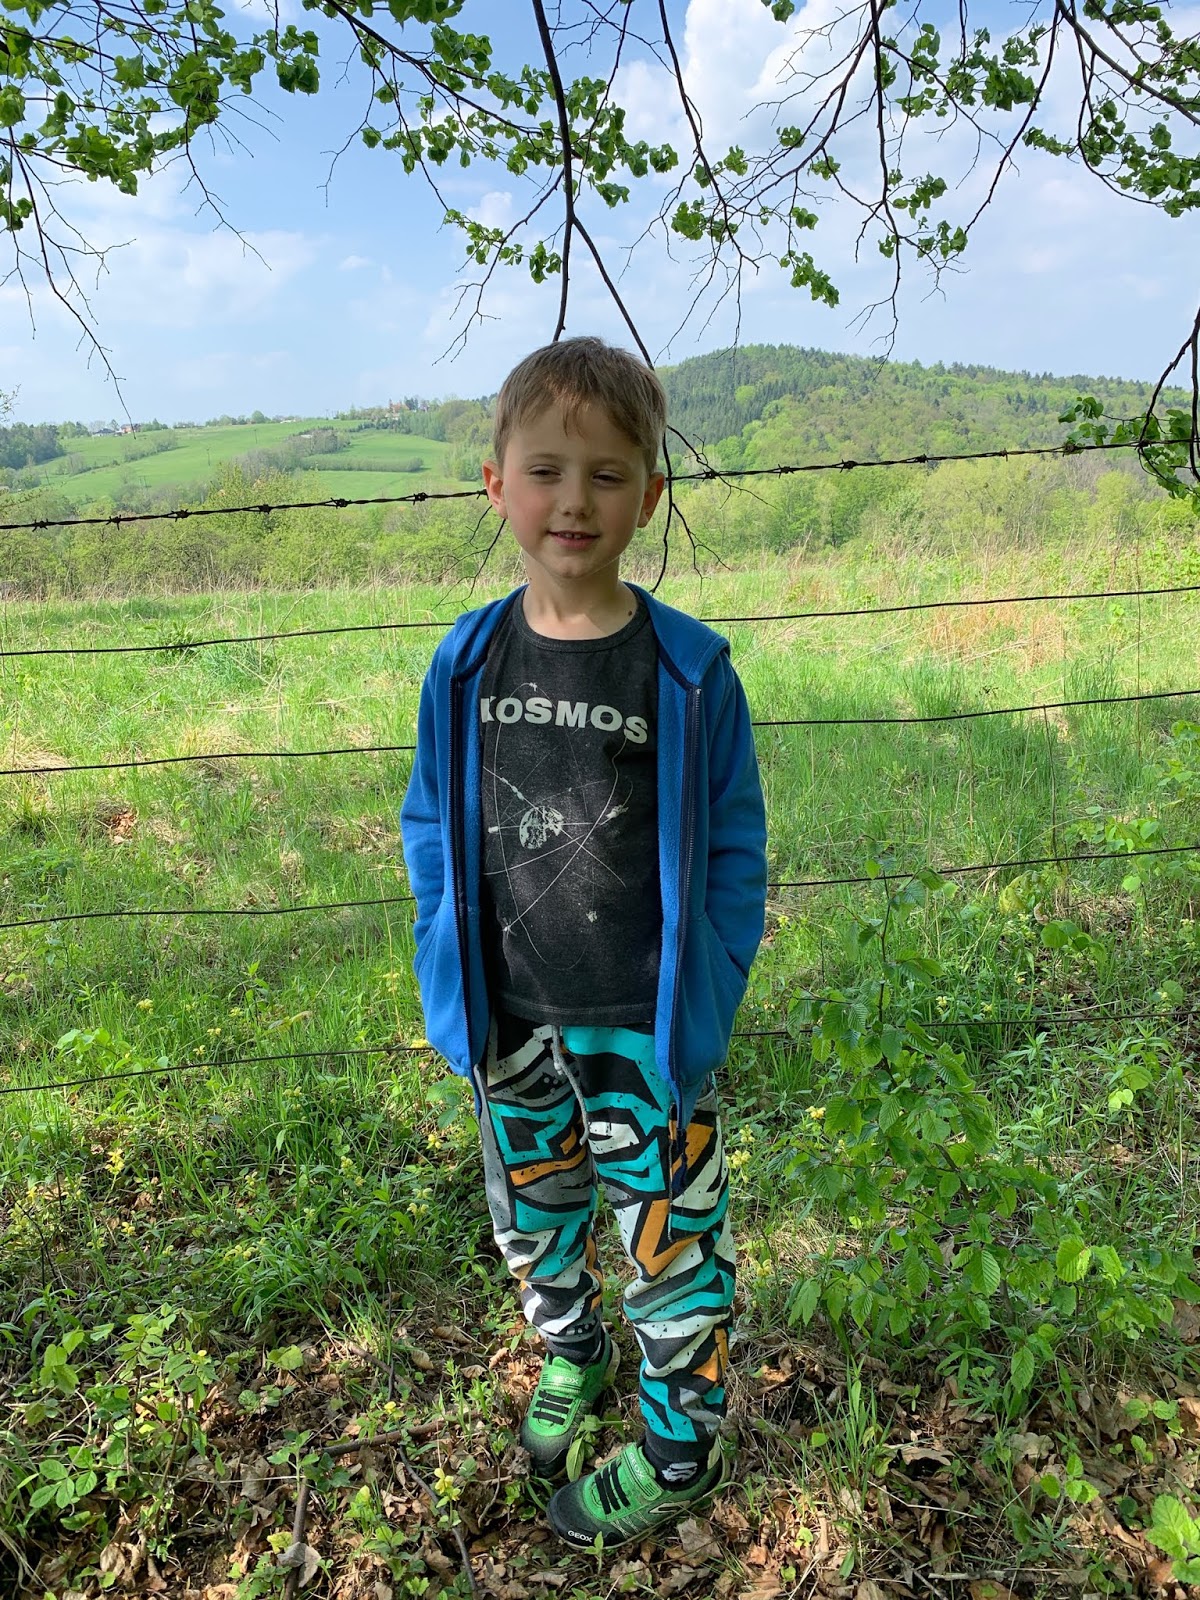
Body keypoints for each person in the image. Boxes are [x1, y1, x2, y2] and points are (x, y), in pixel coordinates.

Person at [400, 336, 767, 1549]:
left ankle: (680, 1450)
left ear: (649, 496)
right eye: (546, 471)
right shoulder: (465, 662)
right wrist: (444, 950)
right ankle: (573, 1350)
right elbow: (430, 823)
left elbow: (735, 850)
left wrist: (707, 991)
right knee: (535, 1216)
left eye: (607, 475)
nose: (574, 501)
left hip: (644, 1033)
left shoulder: (690, 672)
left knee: (672, 1245)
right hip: (510, 1020)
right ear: (495, 484)